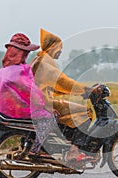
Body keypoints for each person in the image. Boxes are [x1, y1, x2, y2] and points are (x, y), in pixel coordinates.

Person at [30, 29, 95, 162]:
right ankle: (74, 150)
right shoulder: (45, 63)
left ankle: (63, 141)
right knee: (85, 111)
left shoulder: (39, 59)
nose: (60, 52)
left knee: (72, 111)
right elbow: (63, 82)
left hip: (43, 100)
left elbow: (51, 85)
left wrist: (69, 92)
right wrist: (86, 89)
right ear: (53, 48)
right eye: (59, 49)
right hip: (46, 103)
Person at [0, 33, 56, 158]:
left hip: (7, 109)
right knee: (49, 118)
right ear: (20, 53)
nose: (27, 55)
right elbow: (32, 92)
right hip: (19, 110)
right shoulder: (18, 71)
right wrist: (46, 105)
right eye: (25, 52)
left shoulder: (6, 69)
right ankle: (36, 150)